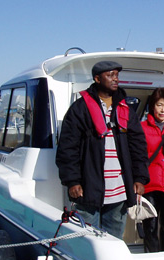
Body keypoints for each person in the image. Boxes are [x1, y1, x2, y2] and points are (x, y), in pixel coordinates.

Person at [56, 61, 150, 238]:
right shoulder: (79, 109)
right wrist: (73, 181)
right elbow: (68, 148)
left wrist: (139, 177)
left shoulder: (125, 109)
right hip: (88, 188)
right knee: (85, 239)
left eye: (117, 75)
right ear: (97, 79)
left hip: (119, 190)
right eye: (110, 75)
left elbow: (138, 146)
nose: (115, 79)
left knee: (114, 240)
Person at [140, 88, 164, 252]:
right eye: (159, 105)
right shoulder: (141, 128)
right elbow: (137, 158)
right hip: (149, 185)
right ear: (152, 106)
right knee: (150, 228)